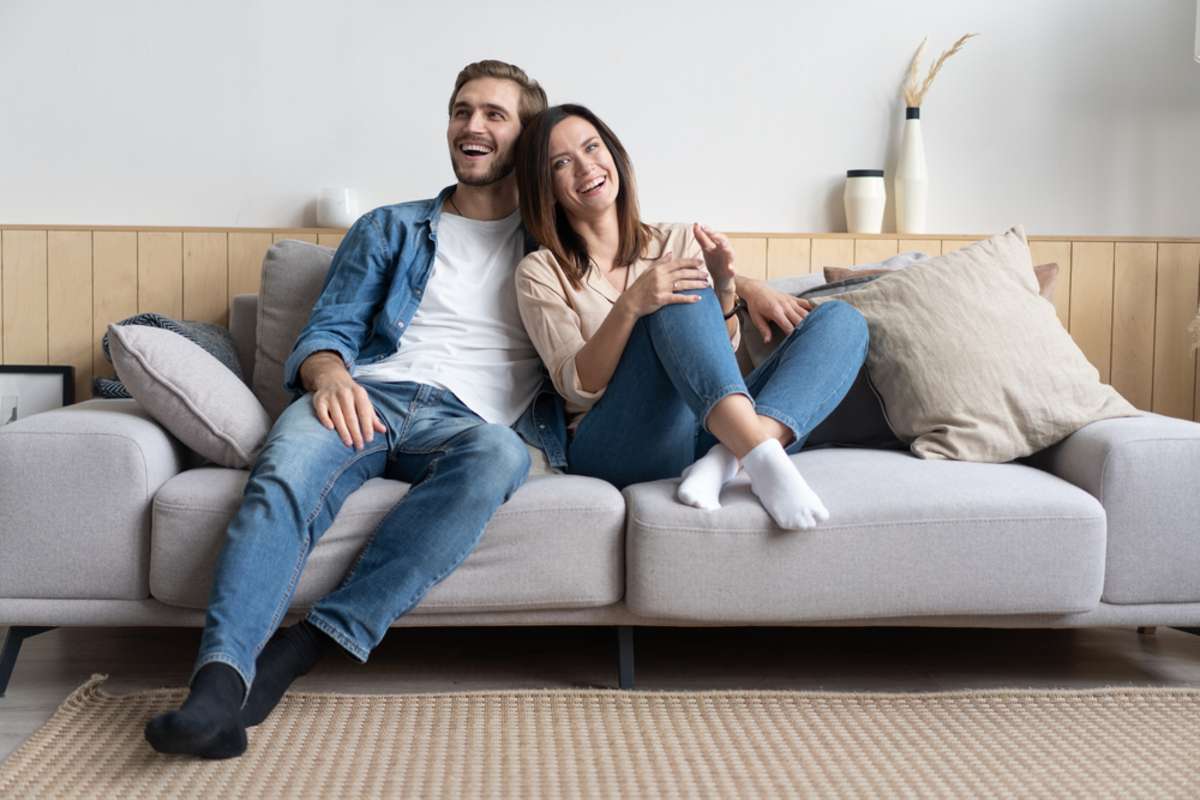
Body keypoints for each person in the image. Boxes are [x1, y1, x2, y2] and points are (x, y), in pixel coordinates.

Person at [144, 60, 563, 760]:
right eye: (462, 111)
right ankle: (216, 688)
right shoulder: (389, 228)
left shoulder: (555, 243)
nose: (472, 126)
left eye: (494, 114)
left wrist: (740, 292)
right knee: (283, 473)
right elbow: (328, 332)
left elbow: (640, 273)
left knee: (500, 454)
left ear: (526, 135)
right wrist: (329, 375)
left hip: (468, 423)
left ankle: (304, 648)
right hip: (367, 397)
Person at [513, 104, 870, 530]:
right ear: (547, 188)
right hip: (616, 442)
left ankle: (726, 459)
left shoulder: (676, 238)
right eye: (562, 163)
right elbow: (577, 387)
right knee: (674, 295)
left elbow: (717, 356)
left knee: (842, 322)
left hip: (703, 430)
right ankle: (758, 457)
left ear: (613, 155)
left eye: (592, 147)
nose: (586, 166)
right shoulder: (540, 270)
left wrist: (724, 287)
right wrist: (632, 305)